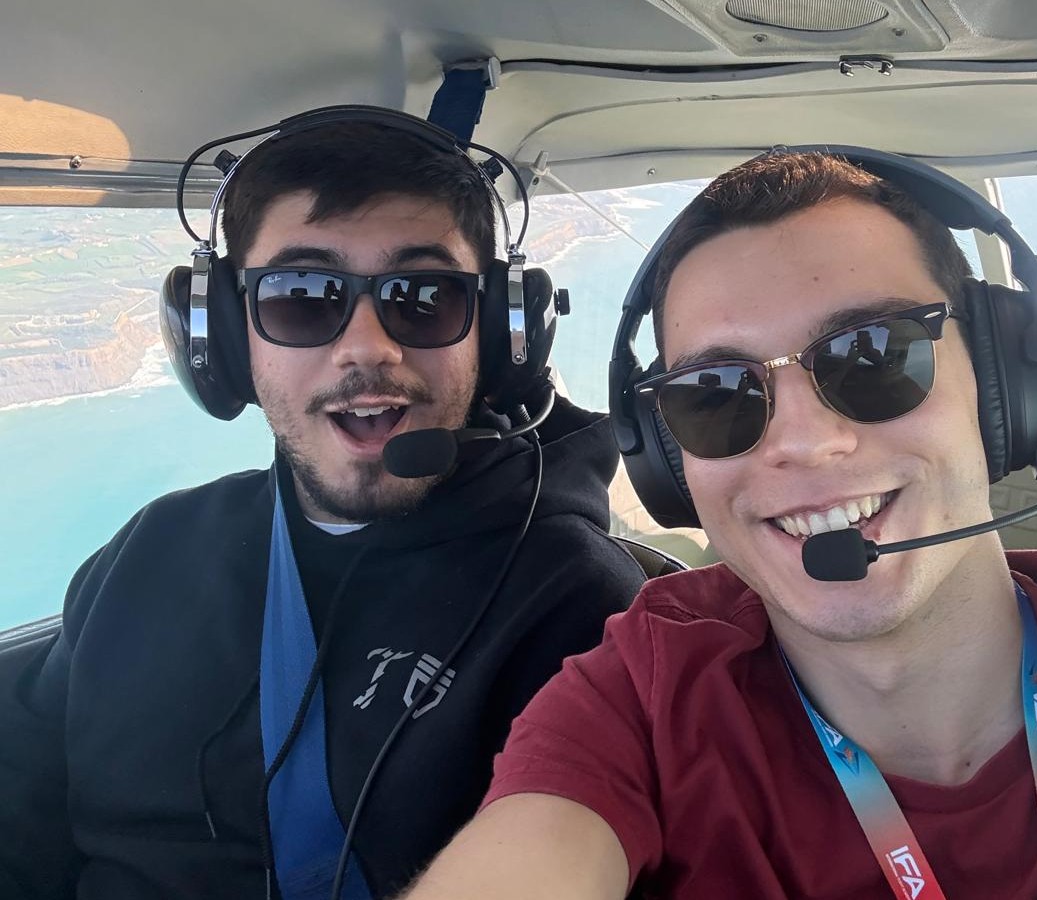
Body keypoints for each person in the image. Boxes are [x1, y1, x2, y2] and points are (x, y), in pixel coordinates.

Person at [397, 150, 1037, 899]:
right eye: (715, 392)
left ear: (1003, 386)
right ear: (665, 461)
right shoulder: (646, 698)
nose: (804, 441)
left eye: (874, 353)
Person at [0, 110, 647, 898]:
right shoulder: (150, 551)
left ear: (503, 337)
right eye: (303, 296)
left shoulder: (579, 606)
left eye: (424, 296)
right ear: (227, 337)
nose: (367, 346)